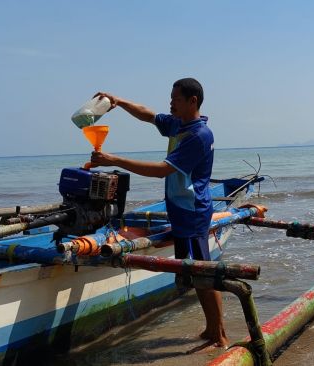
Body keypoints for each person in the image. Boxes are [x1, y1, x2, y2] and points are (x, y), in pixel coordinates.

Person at [88, 78, 228, 347]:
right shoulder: (179, 123)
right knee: (195, 272)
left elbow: (161, 170)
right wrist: (120, 102)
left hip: (193, 210)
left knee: (204, 272)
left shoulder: (198, 136)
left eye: (175, 98)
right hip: (180, 207)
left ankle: (219, 334)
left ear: (192, 101)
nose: (170, 102)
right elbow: (149, 115)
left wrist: (113, 160)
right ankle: (211, 329)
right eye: (171, 97)